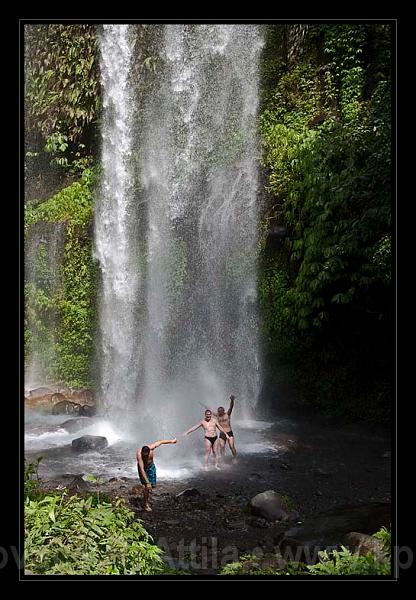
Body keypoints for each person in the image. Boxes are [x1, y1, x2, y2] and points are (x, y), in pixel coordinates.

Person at [136, 438, 177, 512]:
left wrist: (171, 441)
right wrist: (147, 483)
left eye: (146, 455)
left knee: (153, 485)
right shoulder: (139, 455)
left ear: (149, 452)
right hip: (143, 469)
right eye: (143, 455)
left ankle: (147, 492)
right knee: (147, 486)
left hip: (151, 467)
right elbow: (142, 470)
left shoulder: (151, 447)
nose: (144, 456)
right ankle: (145, 504)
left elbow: (160, 442)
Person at [215, 394, 237, 462]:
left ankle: (235, 458)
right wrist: (206, 408)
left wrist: (232, 400)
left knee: (231, 446)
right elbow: (210, 412)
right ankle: (223, 460)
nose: (219, 412)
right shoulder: (217, 415)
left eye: (220, 411)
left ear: (223, 410)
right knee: (222, 447)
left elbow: (231, 407)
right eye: (218, 411)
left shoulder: (227, 414)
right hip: (222, 434)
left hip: (229, 433)